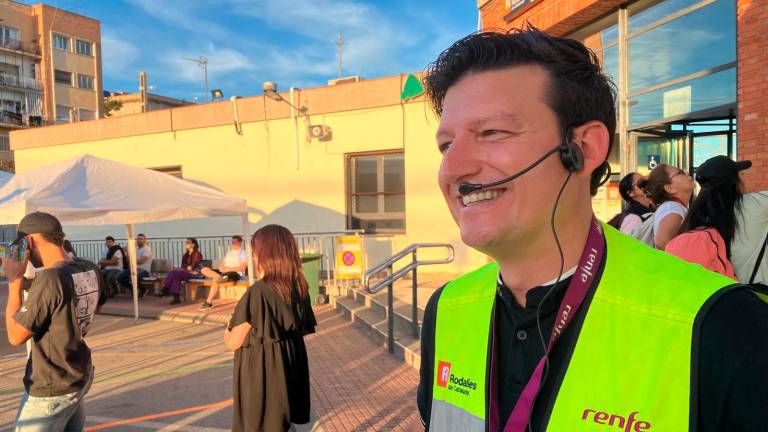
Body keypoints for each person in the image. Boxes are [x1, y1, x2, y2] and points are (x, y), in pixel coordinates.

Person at [416, 29, 768, 432]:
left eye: (492, 132)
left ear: (583, 147)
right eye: (446, 145)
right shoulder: (446, 309)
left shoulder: (726, 326)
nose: (453, 169)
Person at [2, 212, 106, 431]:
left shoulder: (50, 279)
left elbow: (15, 335)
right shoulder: (88, 267)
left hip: (51, 386)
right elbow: (86, 303)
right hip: (78, 372)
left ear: (29, 241)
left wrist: (14, 281)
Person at [224, 224, 316, 432]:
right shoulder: (299, 287)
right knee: (283, 423)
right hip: (289, 368)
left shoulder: (258, 293)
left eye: (255, 252)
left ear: (264, 254)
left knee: (262, 423)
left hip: (263, 373)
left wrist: (227, 327)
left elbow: (233, 342)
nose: (254, 258)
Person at [687, 155, 768, 286]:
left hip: (718, 295)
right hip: (755, 294)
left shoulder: (696, 214)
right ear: (735, 182)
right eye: (741, 174)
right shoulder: (756, 204)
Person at [639, 163, 694, 250]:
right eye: (680, 172)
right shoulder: (673, 208)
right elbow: (662, 242)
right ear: (669, 188)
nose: (686, 172)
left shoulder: (672, 207)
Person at [199, 235, 248, 310]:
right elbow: (221, 265)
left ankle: (208, 302)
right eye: (232, 242)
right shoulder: (229, 253)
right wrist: (221, 268)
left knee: (215, 280)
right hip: (224, 273)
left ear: (240, 242)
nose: (233, 244)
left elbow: (242, 268)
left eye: (235, 242)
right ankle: (219, 277)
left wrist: (228, 269)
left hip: (235, 273)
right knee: (204, 269)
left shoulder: (243, 253)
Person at [162, 238, 203, 305]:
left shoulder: (197, 254)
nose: (186, 244)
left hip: (194, 273)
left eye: (188, 242)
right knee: (175, 276)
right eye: (186, 242)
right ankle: (176, 298)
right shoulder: (185, 255)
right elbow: (183, 266)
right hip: (186, 272)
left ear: (193, 245)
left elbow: (193, 266)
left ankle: (166, 288)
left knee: (174, 272)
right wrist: (187, 267)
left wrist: (187, 267)